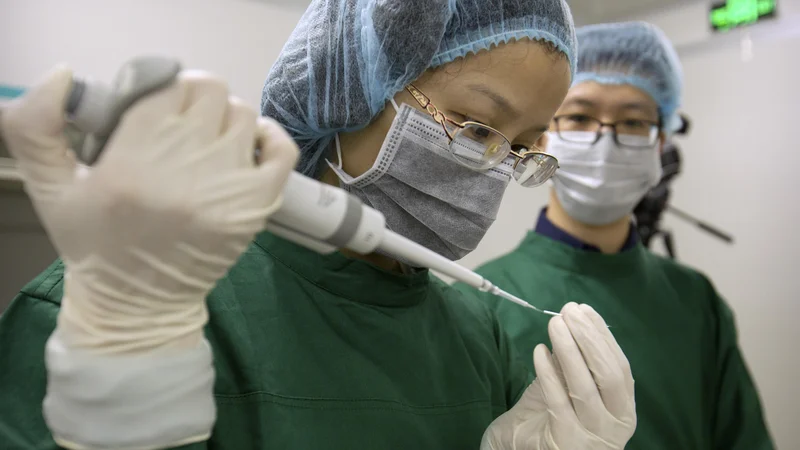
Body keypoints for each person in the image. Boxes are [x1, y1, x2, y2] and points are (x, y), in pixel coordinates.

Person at [0, 1, 638, 449]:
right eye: (475, 128)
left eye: (523, 147)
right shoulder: (133, 300)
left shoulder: (477, 333)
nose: (495, 169)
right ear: (352, 89)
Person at [454, 21, 775, 450]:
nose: (604, 138)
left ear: (661, 142)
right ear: (544, 135)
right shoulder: (481, 302)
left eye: (634, 121)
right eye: (581, 117)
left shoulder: (696, 301)